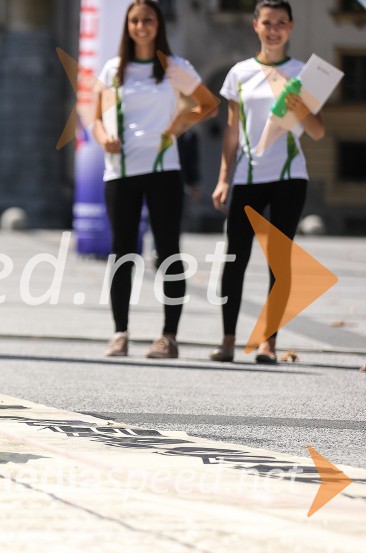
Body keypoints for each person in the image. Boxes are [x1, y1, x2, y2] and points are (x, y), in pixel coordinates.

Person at [93, 0, 219, 358]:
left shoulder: (174, 67)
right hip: (120, 172)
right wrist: (103, 139)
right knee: (122, 253)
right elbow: (94, 115)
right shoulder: (114, 68)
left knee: (167, 252)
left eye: (147, 19)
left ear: (158, 24)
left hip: (163, 169)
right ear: (127, 26)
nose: (140, 26)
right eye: (134, 20)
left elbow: (207, 104)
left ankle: (169, 336)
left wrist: (179, 125)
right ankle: (120, 333)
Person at [210, 0, 325, 364]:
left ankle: (268, 343)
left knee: (280, 262)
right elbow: (231, 130)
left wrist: (300, 106)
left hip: (290, 176)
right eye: (266, 22)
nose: (273, 29)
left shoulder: (302, 72)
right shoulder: (239, 73)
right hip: (247, 176)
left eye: (280, 23)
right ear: (255, 25)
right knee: (235, 258)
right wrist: (224, 177)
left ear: (290, 27)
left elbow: (318, 132)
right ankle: (228, 340)